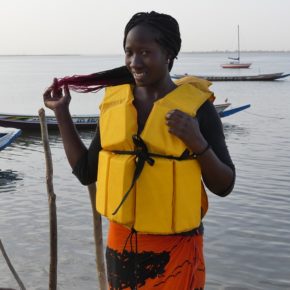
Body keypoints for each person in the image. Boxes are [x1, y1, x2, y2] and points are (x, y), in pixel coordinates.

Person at [43, 11, 235, 290]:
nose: (135, 62)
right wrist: (61, 113)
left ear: (168, 53)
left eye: (145, 52)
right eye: (129, 52)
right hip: (121, 248)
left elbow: (224, 185)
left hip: (177, 251)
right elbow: (86, 172)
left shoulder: (197, 109)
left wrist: (197, 142)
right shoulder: (116, 106)